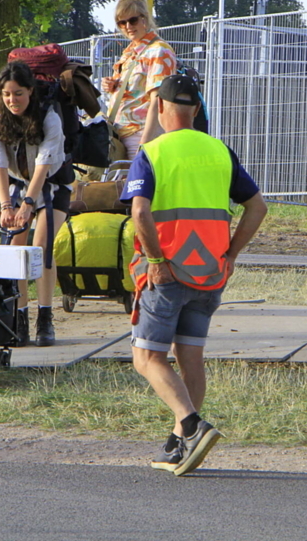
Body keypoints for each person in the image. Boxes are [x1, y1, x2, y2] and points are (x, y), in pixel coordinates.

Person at [121, 74, 267, 476]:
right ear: (197, 110)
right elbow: (257, 207)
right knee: (190, 359)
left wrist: (154, 260)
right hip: (210, 274)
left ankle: (190, 424)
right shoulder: (220, 151)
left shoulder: (152, 152)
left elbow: (139, 211)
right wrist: (232, 254)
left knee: (146, 357)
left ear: (161, 108)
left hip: (167, 274)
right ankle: (179, 447)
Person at [0, 61, 73, 347]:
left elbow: (43, 166)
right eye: (7, 94)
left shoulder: (49, 117)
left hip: (52, 184)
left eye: (19, 93)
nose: (13, 100)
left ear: (31, 92)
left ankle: (45, 319)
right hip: (15, 184)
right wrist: (5, 207)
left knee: (42, 247)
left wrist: (27, 204)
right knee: (16, 252)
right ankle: (19, 319)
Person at [100, 0, 177, 165]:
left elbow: (157, 101)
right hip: (120, 132)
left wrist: (144, 145)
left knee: (138, 189)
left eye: (133, 20)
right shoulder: (130, 52)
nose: (128, 26)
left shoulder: (159, 51)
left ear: (144, 19)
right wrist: (113, 85)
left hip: (141, 134)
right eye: (122, 23)